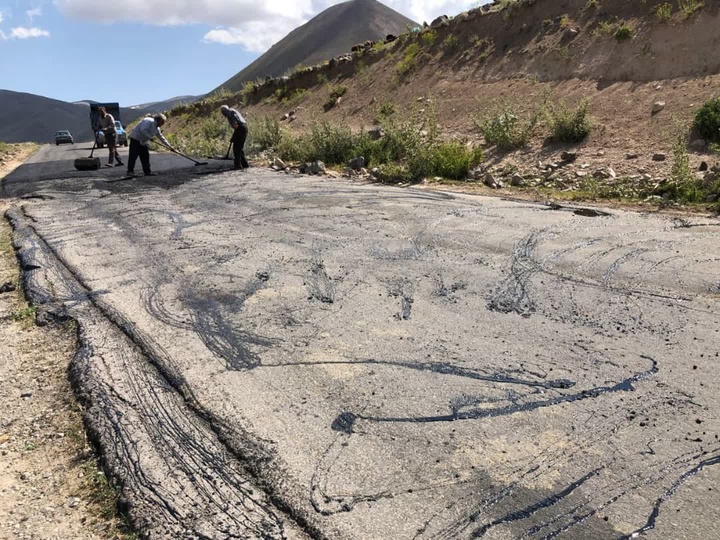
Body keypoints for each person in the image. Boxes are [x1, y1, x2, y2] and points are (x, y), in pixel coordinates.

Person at [220, 104, 249, 170]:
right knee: (240, 147)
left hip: (240, 128)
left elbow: (236, 126)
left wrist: (234, 137)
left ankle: (238, 165)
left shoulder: (229, 113)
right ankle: (244, 164)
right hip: (244, 127)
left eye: (222, 112)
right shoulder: (233, 110)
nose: (222, 113)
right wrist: (234, 137)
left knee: (236, 147)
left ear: (224, 111)